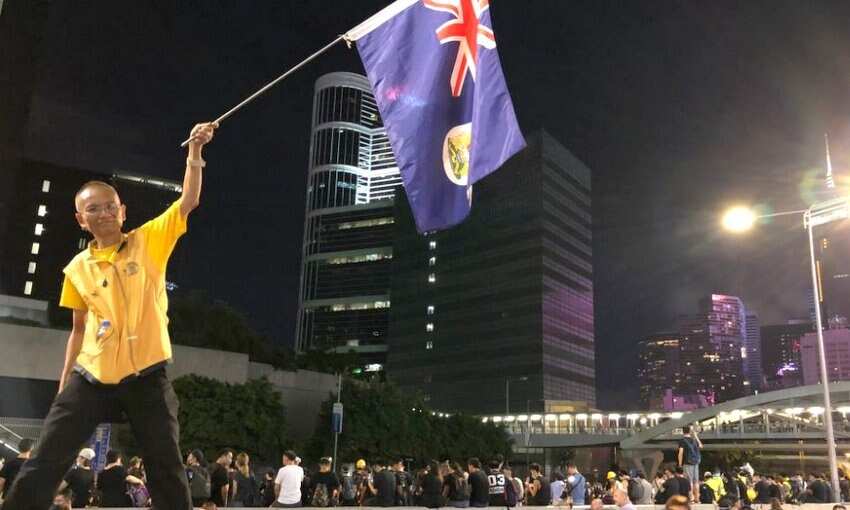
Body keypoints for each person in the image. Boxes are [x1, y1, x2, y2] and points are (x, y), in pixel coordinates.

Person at [2, 122, 217, 510]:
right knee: (46, 460)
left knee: (165, 464)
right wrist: (65, 385)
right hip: (93, 375)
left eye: (109, 206)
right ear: (81, 220)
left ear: (122, 211)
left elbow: (187, 201)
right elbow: (78, 330)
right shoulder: (76, 268)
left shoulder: (148, 241)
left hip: (147, 374)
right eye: (92, 209)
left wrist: (195, 155)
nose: (102, 213)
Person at [677, 426, 702, 503]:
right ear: (690, 431)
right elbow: (701, 446)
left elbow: (680, 453)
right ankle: (697, 498)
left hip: (687, 463)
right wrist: (696, 436)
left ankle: (691, 498)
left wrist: (680, 464)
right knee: (696, 481)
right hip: (696, 462)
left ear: (683, 432)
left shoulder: (682, 441)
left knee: (689, 481)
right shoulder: (694, 440)